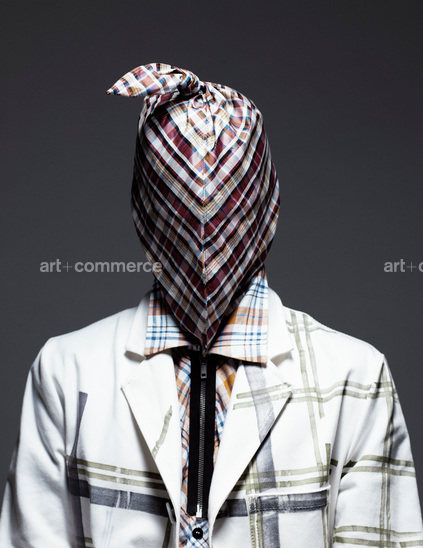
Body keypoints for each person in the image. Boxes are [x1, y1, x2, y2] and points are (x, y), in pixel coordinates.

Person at [0, 63, 422, 548]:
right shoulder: (66, 373)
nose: (204, 235)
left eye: (226, 205)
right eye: (179, 204)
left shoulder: (356, 381)